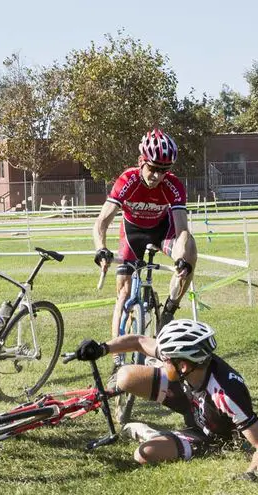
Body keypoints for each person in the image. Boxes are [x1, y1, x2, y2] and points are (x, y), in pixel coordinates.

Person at [74, 319, 258, 481]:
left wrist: (251, 473)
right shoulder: (190, 363)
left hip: (210, 435)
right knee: (126, 376)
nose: (161, 360)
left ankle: (154, 435)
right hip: (190, 399)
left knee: (144, 454)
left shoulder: (226, 393)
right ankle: (160, 434)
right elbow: (139, 341)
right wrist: (102, 348)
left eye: (166, 359)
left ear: (183, 366)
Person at [91, 129, 198, 368]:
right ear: (142, 161)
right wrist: (101, 248)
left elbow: (181, 230)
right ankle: (117, 360)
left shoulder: (173, 186)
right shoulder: (127, 180)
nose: (158, 176)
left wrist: (182, 258)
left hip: (163, 232)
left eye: (164, 170)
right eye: (153, 168)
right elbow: (102, 221)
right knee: (123, 294)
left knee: (190, 246)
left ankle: (171, 307)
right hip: (132, 234)